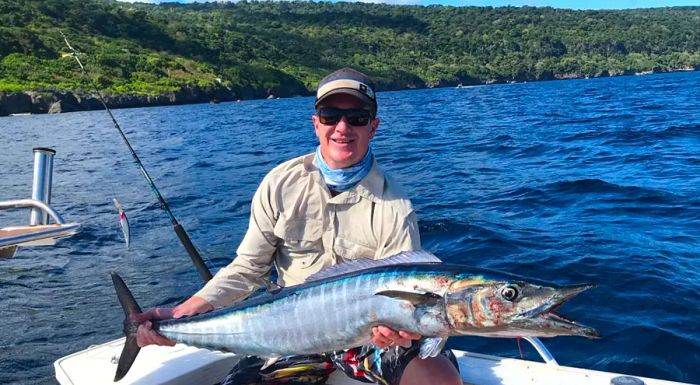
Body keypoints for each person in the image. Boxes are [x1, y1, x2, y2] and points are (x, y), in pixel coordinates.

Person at [136, 68, 462, 385]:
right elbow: (249, 268)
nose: (343, 127)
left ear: (373, 127)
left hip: (367, 339)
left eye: (357, 117)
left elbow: (401, 300)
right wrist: (182, 312)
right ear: (316, 123)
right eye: (331, 115)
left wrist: (399, 330)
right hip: (290, 332)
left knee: (439, 380)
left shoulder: (394, 205)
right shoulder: (280, 184)